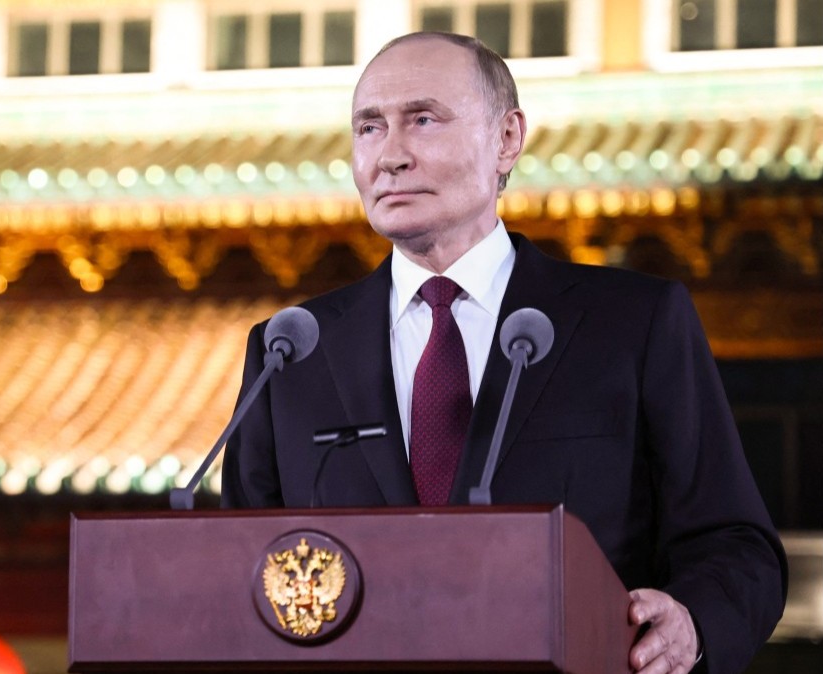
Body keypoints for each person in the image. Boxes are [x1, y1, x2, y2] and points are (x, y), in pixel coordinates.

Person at [220, 32, 786, 674]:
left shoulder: (632, 322)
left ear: (508, 138)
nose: (390, 156)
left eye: (423, 120)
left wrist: (691, 625)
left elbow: (738, 545)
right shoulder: (292, 349)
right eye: (369, 128)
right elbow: (240, 567)